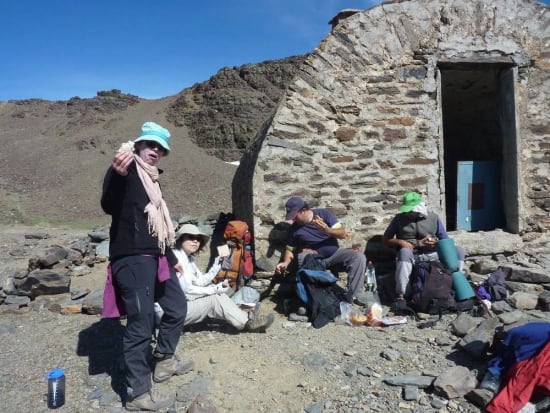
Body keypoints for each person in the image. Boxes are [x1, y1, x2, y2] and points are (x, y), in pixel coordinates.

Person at [101, 121, 192, 412]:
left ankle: (164, 360)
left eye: (161, 148)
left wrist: (173, 258)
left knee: (177, 307)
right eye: (151, 144)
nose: (156, 151)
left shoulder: (152, 179)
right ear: (138, 144)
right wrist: (116, 175)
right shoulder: (125, 170)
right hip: (132, 258)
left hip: (157, 256)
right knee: (141, 324)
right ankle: (138, 393)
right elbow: (109, 204)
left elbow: (158, 228)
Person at [154, 224, 275, 332]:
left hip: (178, 303)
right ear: (180, 240)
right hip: (169, 311)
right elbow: (187, 289)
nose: (195, 241)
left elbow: (201, 281)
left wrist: (218, 263)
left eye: (198, 239)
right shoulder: (177, 259)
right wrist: (215, 290)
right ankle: (246, 322)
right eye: (190, 237)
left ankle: (239, 312)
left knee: (215, 290)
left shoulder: (188, 259)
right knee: (214, 298)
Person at [275, 196, 366, 303]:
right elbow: (290, 249)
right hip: (315, 260)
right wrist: (285, 263)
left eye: (295, 217)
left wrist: (327, 230)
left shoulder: (323, 214)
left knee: (358, 257)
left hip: (334, 255)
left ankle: (355, 296)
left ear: (303, 211)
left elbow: (342, 234)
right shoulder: (294, 229)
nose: (293, 220)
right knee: (303, 256)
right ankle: (316, 299)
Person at [382, 191, 465, 305]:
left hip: (432, 253)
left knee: (458, 251)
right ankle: (403, 295)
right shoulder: (399, 219)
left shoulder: (433, 218)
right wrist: (401, 242)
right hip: (412, 254)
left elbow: (445, 241)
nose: (408, 213)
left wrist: (435, 242)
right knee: (404, 252)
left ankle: (456, 285)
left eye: (410, 210)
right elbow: (386, 240)